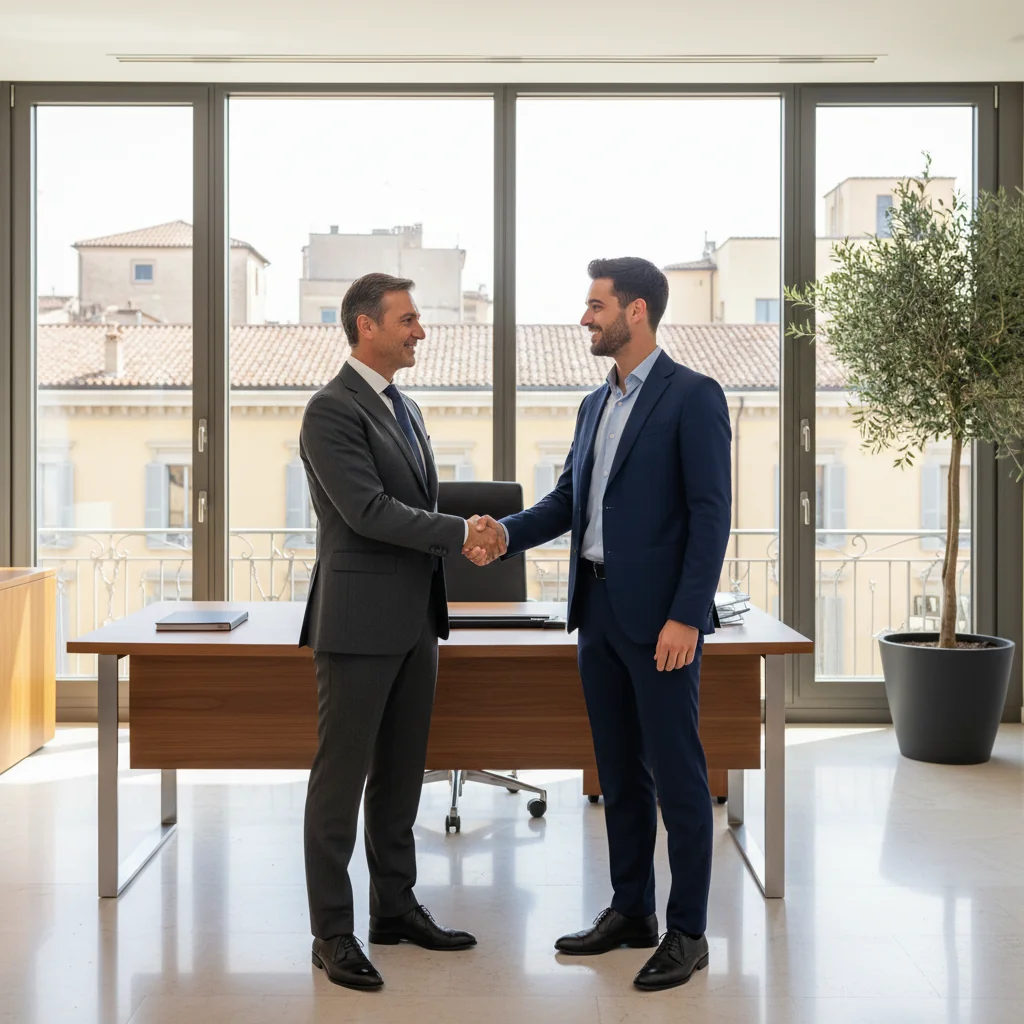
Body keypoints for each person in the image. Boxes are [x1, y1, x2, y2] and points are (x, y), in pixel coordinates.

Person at [467, 257, 732, 992]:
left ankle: (687, 931)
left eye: (596, 305)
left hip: (662, 622)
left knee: (679, 777)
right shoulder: (593, 406)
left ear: (636, 311)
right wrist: (502, 534)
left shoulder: (693, 397)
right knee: (618, 774)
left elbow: (712, 515)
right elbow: (566, 503)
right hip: (599, 611)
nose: (585, 318)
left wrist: (687, 615)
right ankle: (631, 911)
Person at [298, 272, 505, 991]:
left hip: (416, 618)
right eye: (408, 319)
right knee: (340, 781)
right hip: (357, 623)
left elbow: (416, 499)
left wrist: (474, 530)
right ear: (366, 327)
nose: (420, 330)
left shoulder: (404, 407)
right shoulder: (331, 410)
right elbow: (368, 510)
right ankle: (333, 932)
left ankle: (395, 908)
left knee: (399, 777)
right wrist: (463, 532)